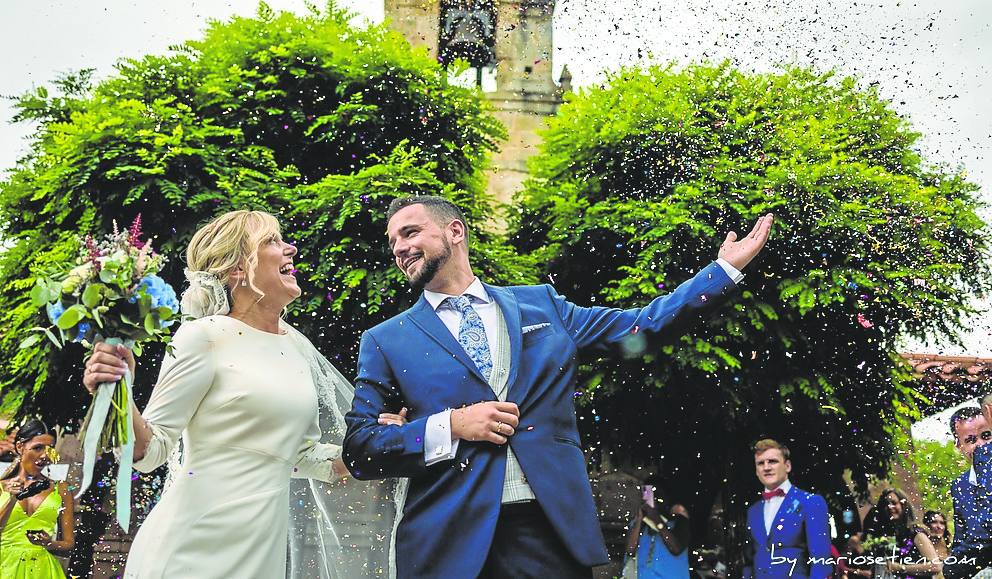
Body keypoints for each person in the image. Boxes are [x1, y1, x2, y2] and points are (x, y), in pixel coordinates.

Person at [343, 195, 773, 578]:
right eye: (393, 241)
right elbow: (361, 448)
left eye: (410, 232)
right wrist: (450, 426)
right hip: (445, 537)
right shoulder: (386, 339)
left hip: (547, 528)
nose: (399, 248)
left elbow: (641, 327)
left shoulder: (542, 306)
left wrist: (722, 271)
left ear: (454, 231)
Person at [83, 210, 405, 579]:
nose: (290, 248)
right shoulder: (204, 336)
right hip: (192, 547)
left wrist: (382, 443)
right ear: (238, 268)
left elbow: (306, 458)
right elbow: (150, 451)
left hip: (260, 553)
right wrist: (117, 393)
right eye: (272, 241)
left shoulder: (296, 347)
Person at [742, 438, 831, 579]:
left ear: (787, 466)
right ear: (756, 471)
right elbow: (749, 563)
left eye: (772, 461)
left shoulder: (811, 503)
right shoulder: (753, 511)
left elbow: (821, 561)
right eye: (760, 463)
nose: (766, 467)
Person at [0, 420, 74, 578]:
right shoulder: (1, 487)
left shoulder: (61, 489)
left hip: (42, 570)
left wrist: (49, 543)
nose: (45, 455)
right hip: (5, 567)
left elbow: (68, 543)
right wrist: (13, 499)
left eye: (50, 449)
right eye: (38, 448)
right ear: (20, 447)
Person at [944, 405, 992, 579]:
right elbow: (962, 536)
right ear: (959, 446)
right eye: (971, 440)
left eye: (986, 436)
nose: (980, 444)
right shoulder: (959, 485)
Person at [868, 488, 942, 577]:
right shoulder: (884, 537)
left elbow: (935, 566)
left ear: (904, 505)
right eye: (886, 504)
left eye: (894, 503)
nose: (890, 507)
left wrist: (901, 568)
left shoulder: (916, 534)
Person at [623, 484, 691, 578]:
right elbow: (630, 550)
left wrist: (656, 519)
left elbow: (676, 548)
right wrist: (639, 519)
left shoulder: (678, 523)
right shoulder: (640, 524)